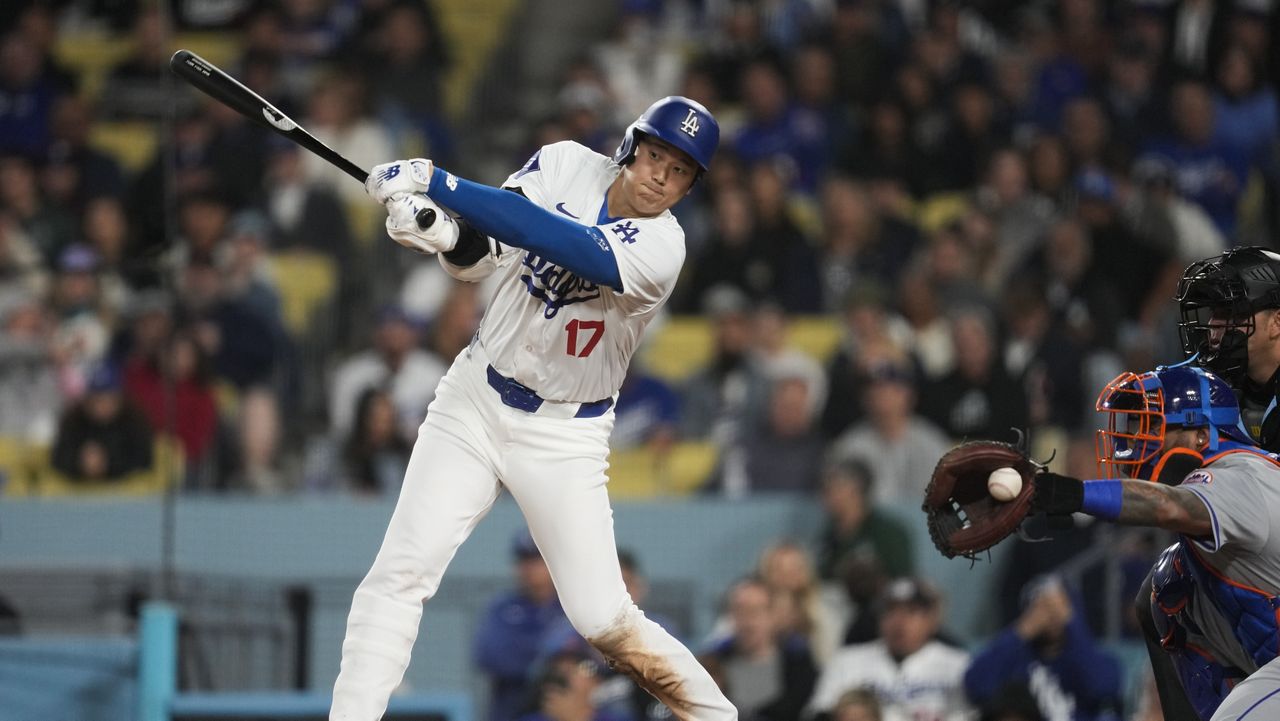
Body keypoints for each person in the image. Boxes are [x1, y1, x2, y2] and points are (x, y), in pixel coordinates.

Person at [330, 96, 736, 721]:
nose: (660, 175)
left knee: (603, 619)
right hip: (475, 395)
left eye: (679, 170)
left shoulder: (663, 247)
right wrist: (440, 231)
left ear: (689, 187)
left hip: (563, 435)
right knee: (399, 575)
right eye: (656, 155)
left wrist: (438, 182)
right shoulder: (566, 163)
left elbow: (559, 241)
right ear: (633, 146)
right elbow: (489, 251)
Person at [1030, 364, 1280, 720]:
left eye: (1152, 426)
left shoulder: (1240, 475)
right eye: (1134, 429)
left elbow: (1168, 506)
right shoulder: (1193, 547)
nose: (1135, 443)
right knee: (1166, 588)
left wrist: (1070, 494)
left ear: (1200, 436)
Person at [805, 577, 971, 721]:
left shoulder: (958, 665)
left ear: (932, 619)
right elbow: (819, 713)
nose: (899, 622)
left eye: (911, 612)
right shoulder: (847, 660)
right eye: (891, 611)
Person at [963, 575, 1123, 721]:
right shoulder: (1015, 659)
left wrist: (1070, 624)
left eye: (1059, 609)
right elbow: (976, 683)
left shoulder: (1093, 657)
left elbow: (1103, 687)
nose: (1051, 616)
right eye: (1041, 608)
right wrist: (1023, 629)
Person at [1175, 247, 1280, 451]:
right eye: (1214, 311)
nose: (1214, 323)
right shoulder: (1207, 388)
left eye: (1232, 312)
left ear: (1277, 323)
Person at [475, 531, 569, 721]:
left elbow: (585, 659)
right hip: (511, 708)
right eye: (523, 560)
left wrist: (525, 647)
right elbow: (489, 656)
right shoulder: (503, 607)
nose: (528, 568)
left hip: (562, 709)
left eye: (536, 560)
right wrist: (549, 655)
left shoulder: (571, 606)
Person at [701, 577, 818, 721]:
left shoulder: (799, 666)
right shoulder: (712, 665)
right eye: (739, 610)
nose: (747, 620)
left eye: (754, 611)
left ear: (773, 615)